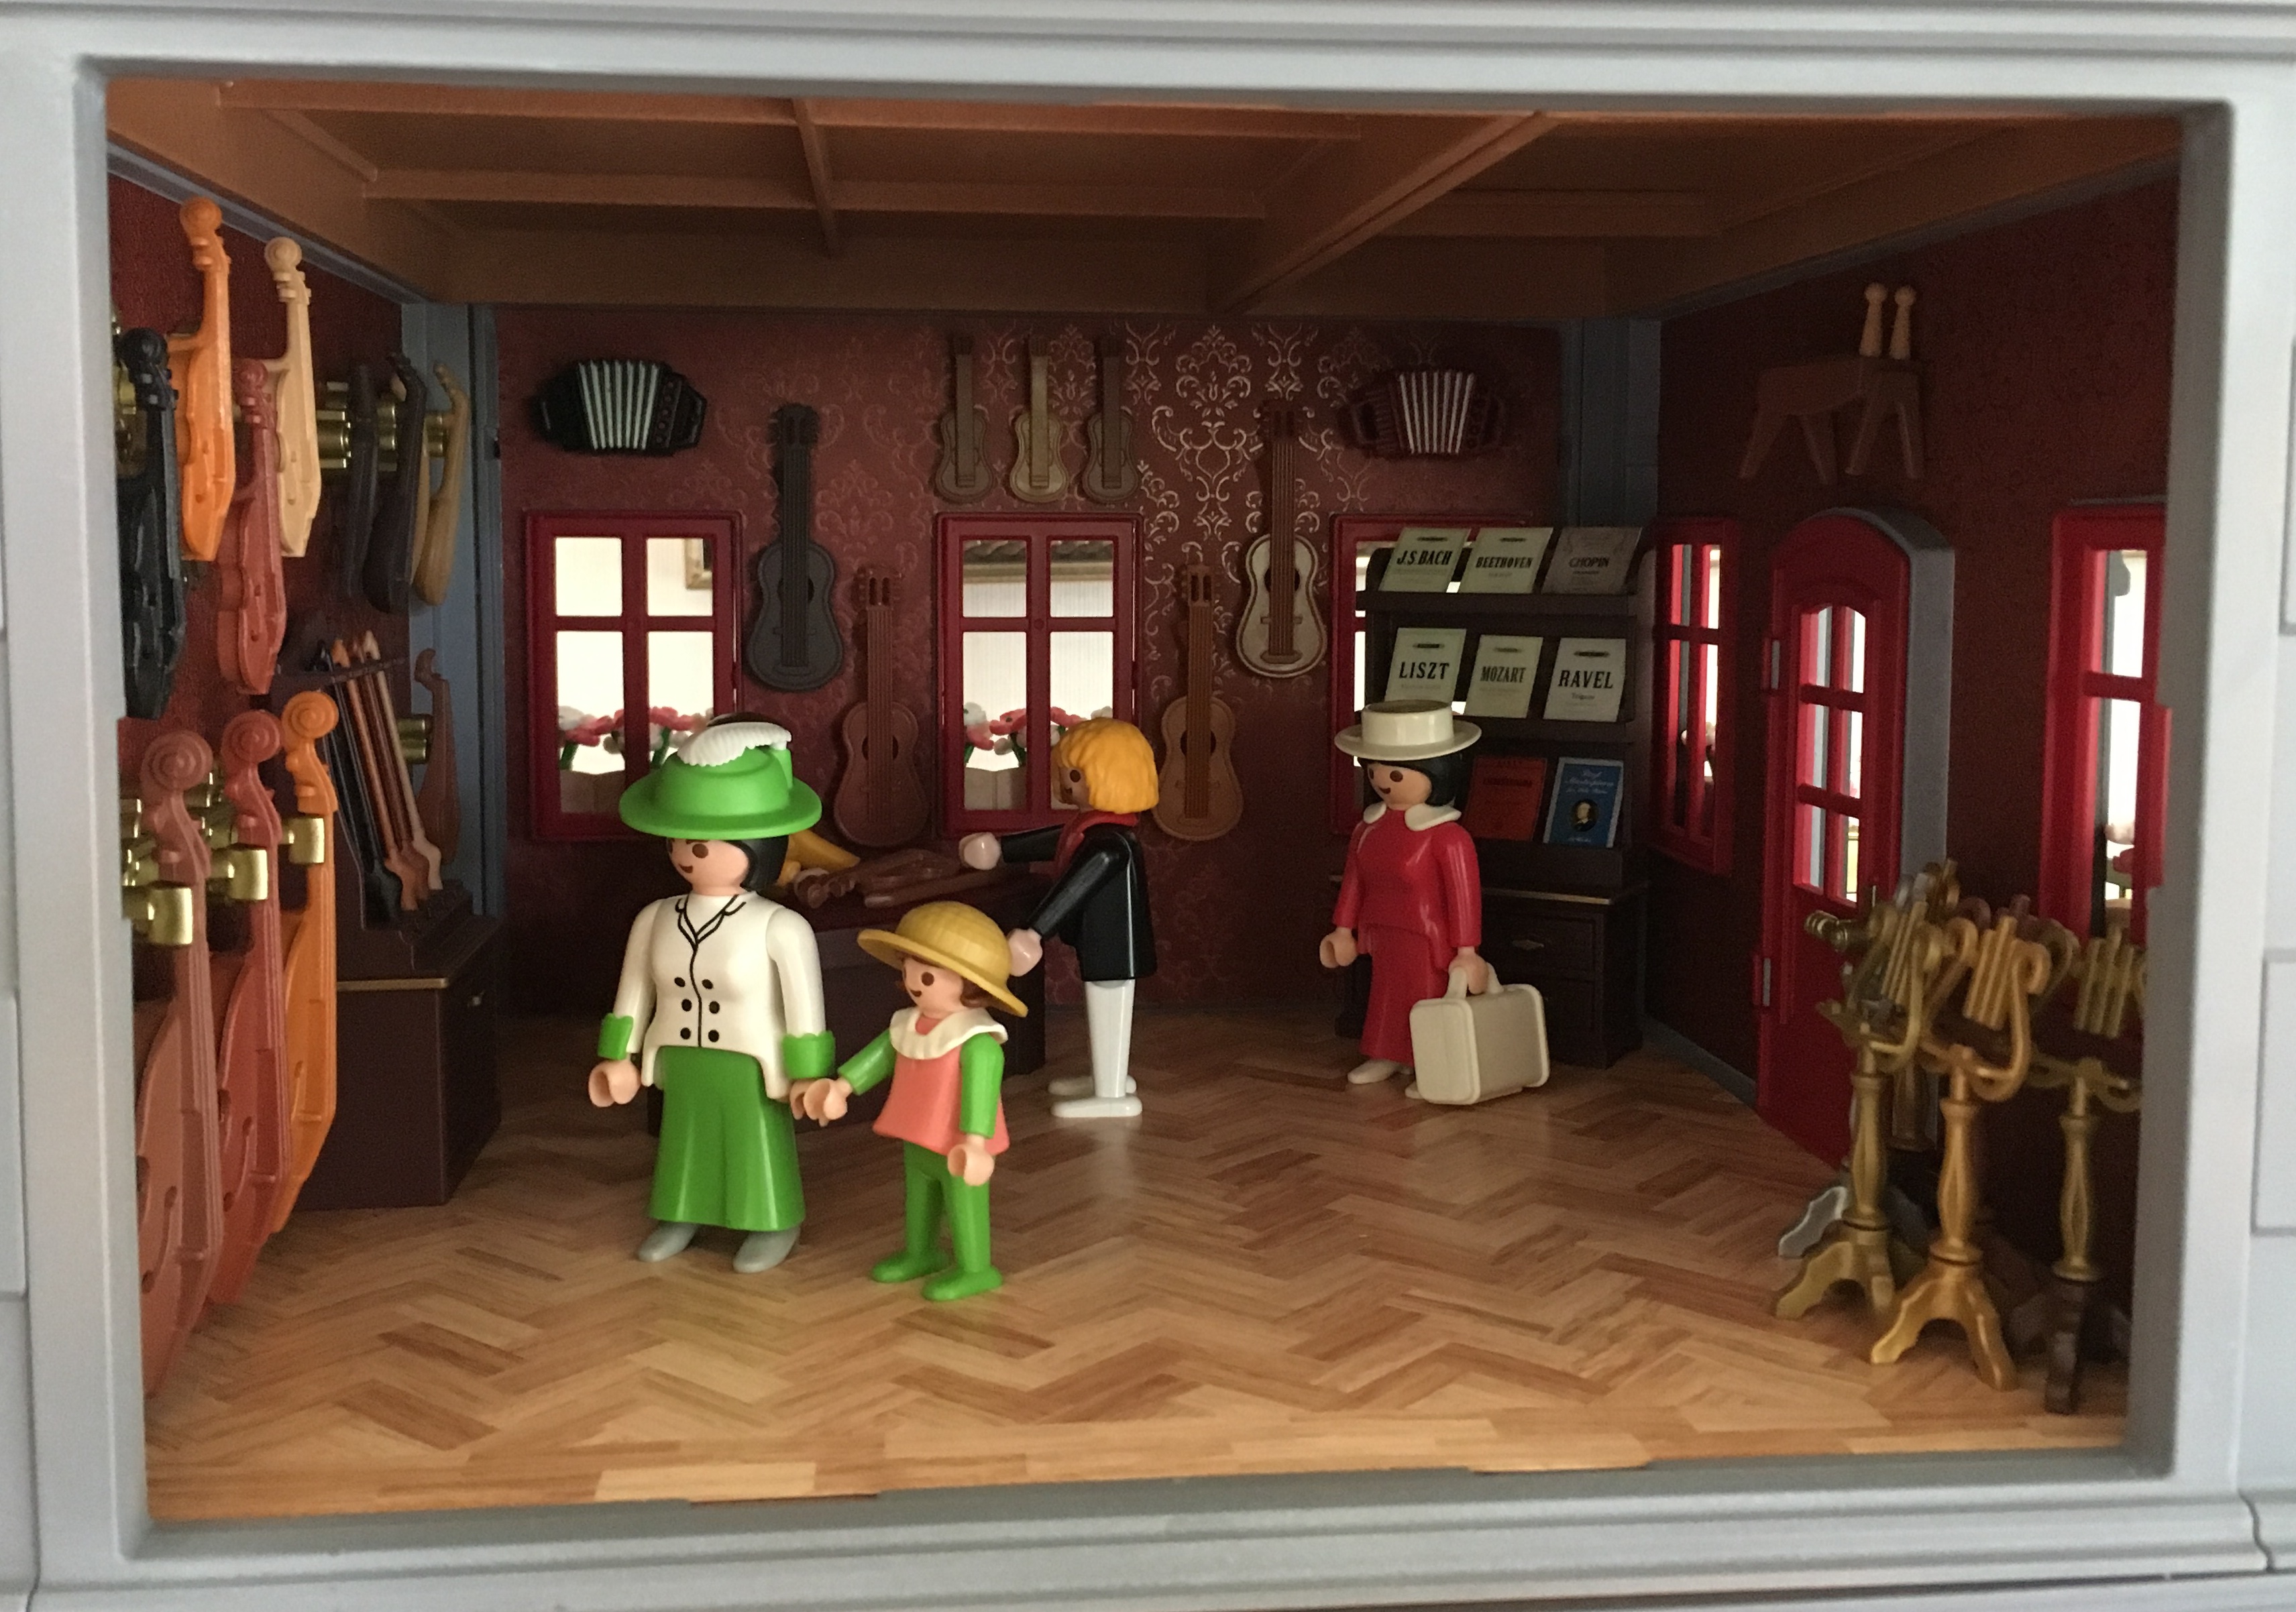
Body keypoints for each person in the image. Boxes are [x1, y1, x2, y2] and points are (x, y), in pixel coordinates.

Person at [586, 719, 832, 1272]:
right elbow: (632, 994)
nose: (686, 854)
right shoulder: (655, 917)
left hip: (752, 1057)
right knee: (683, 1137)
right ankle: (681, 1213)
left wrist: (810, 1072)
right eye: (679, 840)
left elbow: (805, 1011)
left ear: (757, 847)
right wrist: (616, 1056)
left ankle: (772, 1219)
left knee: (753, 1138)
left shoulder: (780, 926)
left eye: (703, 844)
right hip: (678, 1051)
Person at [791, 902, 1025, 1302]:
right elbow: (879, 1057)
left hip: (958, 1144)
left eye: (927, 975)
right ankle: (921, 1252)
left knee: (964, 1202)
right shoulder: (907, 1025)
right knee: (918, 1195)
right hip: (916, 1131)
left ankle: (975, 1268)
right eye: (908, 970)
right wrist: (842, 1087)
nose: (914, 983)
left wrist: (974, 1141)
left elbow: (981, 1094)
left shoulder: (978, 1043)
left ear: (970, 985)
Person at [957, 717, 1156, 1119]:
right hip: (1102, 942)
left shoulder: (1109, 845)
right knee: (1101, 1012)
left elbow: (1072, 889)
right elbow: (1058, 841)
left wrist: (1035, 931)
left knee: (1108, 1011)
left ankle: (1111, 1094)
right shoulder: (1093, 829)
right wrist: (1002, 850)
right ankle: (1106, 1081)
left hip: (1114, 945)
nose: (1065, 784)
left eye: (1075, 776)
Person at [1319, 701, 1494, 1092]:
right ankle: (1387, 1053)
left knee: (1428, 997)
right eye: (1374, 770)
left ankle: (1430, 1063)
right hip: (1383, 931)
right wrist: (1342, 929)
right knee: (1385, 995)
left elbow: (1464, 897)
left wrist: (1468, 950)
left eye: (1395, 773)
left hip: (1428, 937)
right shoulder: (1367, 830)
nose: (1382, 780)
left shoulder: (1447, 836)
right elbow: (1354, 882)